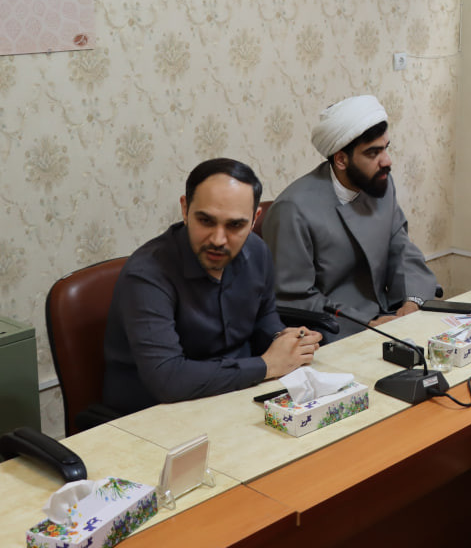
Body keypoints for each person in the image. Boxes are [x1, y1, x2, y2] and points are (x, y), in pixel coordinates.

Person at [104, 158, 320, 414]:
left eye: (235, 225)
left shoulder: (257, 251)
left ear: (254, 220)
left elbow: (264, 317)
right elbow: (167, 379)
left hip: (238, 395)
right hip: (155, 413)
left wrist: (285, 341)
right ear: (185, 209)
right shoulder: (147, 274)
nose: (218, 239)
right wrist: (267, 366)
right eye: (206, 221)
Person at [264, 95, 437, 341]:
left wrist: (412, 302)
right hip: (334, 331)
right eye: (373, 153)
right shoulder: (292, 209)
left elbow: (401, 250)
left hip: (387, 318)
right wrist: (368, 324)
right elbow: (294, 297)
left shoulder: (380, 184)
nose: (387, 161)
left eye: (386, 148)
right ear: (341, 159)